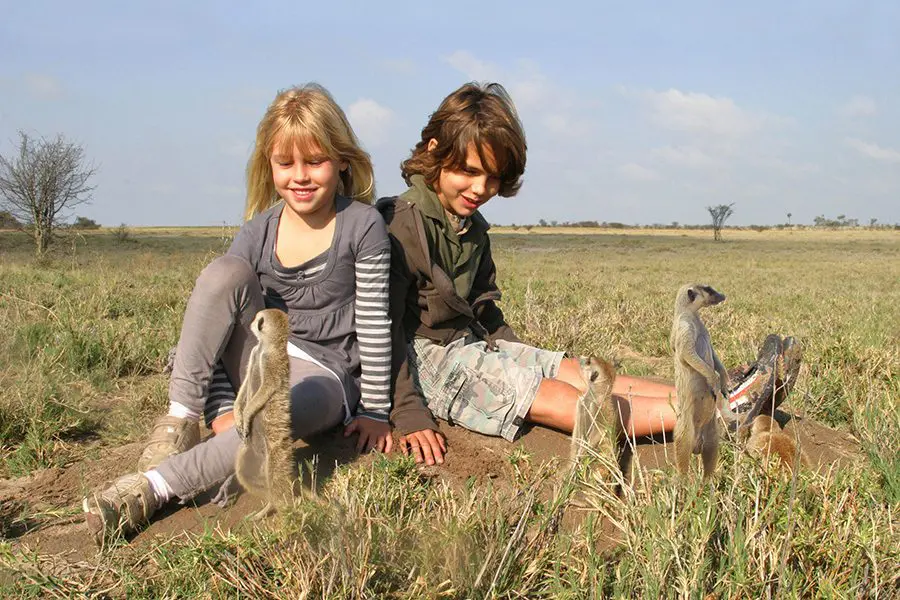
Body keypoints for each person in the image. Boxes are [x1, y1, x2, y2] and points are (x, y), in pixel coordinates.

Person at [378, 82, 800, 466]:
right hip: (426, 362)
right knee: (564, 396)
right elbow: (384, 329)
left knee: (578, 371)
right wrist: (407, 410)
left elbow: (484, 309)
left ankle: (725, 393)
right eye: (468, 172)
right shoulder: (400, 223)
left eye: (493, 178)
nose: (480, 189)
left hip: (475, 343)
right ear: (434, 151)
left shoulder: (473, 229)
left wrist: (526, 358)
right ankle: (718, 416)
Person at [83, 83, 393, 542]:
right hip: (261, 358)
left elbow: (373, 322)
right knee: (224, 272)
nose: (300, 176)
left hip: (326, 377)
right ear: (269, 165)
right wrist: (222, 407)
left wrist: (376, 409)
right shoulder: (257, 231)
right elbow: (226, 329)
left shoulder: (363, 225)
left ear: (343, 159)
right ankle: (180, 418)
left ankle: (153, 488)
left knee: (277, 416)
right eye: (285, 163)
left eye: (315, 161)